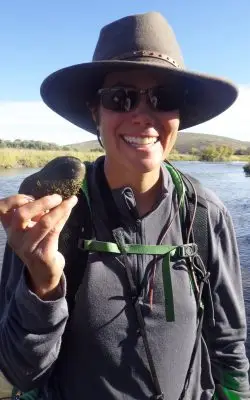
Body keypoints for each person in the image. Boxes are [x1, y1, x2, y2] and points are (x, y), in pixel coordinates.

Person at [0, 11, 249, 400]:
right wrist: (43, 286)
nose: (143, 115)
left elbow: (229, 349)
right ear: (95, 112)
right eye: (121, 97)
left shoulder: (205, 215)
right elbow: (20, 372)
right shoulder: (49, 221)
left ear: (178, 115)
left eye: (163, 98)